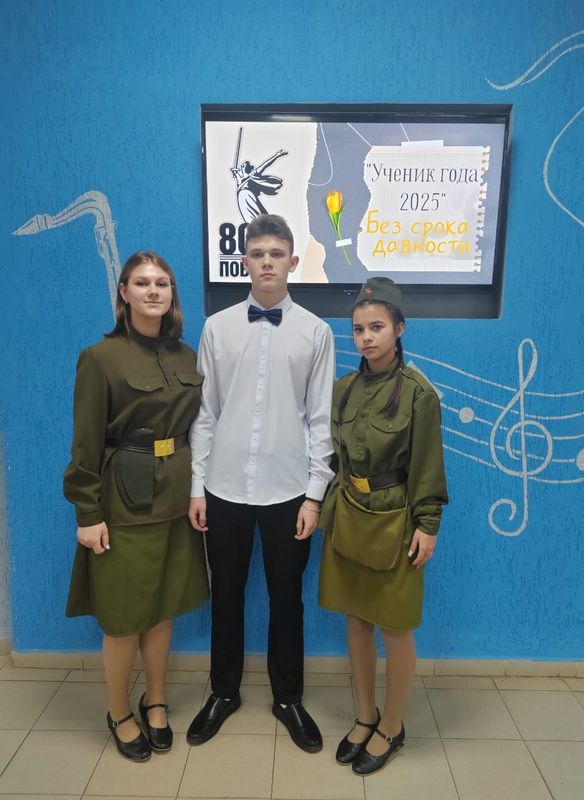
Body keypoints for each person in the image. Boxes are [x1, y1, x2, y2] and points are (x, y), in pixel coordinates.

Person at [186, 213, 335, 753]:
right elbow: (205, 413)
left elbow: (320, 420)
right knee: (225, 594)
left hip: (289, 490)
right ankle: (223, 692)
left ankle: (288, 698)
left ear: (293, 262)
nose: (267, 262)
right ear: (244, 261)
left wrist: (314, 496)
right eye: (257, 254)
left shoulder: (316, 332)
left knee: (286, 598)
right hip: (223, 487)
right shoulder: (216, 328)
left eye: (276, 254)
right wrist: (197, 486)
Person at [64, 251, 209, 762]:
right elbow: (85, 443)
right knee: (125, 615)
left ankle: (156, 699)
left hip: (176, 495)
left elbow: (198, 426)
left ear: (172, 294)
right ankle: (118, 711)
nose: (153, 291)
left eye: (162, 283)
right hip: (124, 498)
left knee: (163, 606)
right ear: (123, 292)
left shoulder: (186, 355)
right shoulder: (100, 358)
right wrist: (88, 514)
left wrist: (199, 489)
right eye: (142, 283)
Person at [318, 277, 448, 775]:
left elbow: (428, 466)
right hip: (350, 513)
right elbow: (334, 458)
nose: (367, 337)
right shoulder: (343, 390)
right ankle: (365, 715)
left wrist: (427, 524)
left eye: (377, 327)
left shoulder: (418, 394)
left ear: (399, 329)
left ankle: (392, 725)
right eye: (358, 329)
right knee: (356, 619)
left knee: (394, 626)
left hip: (396, 520)